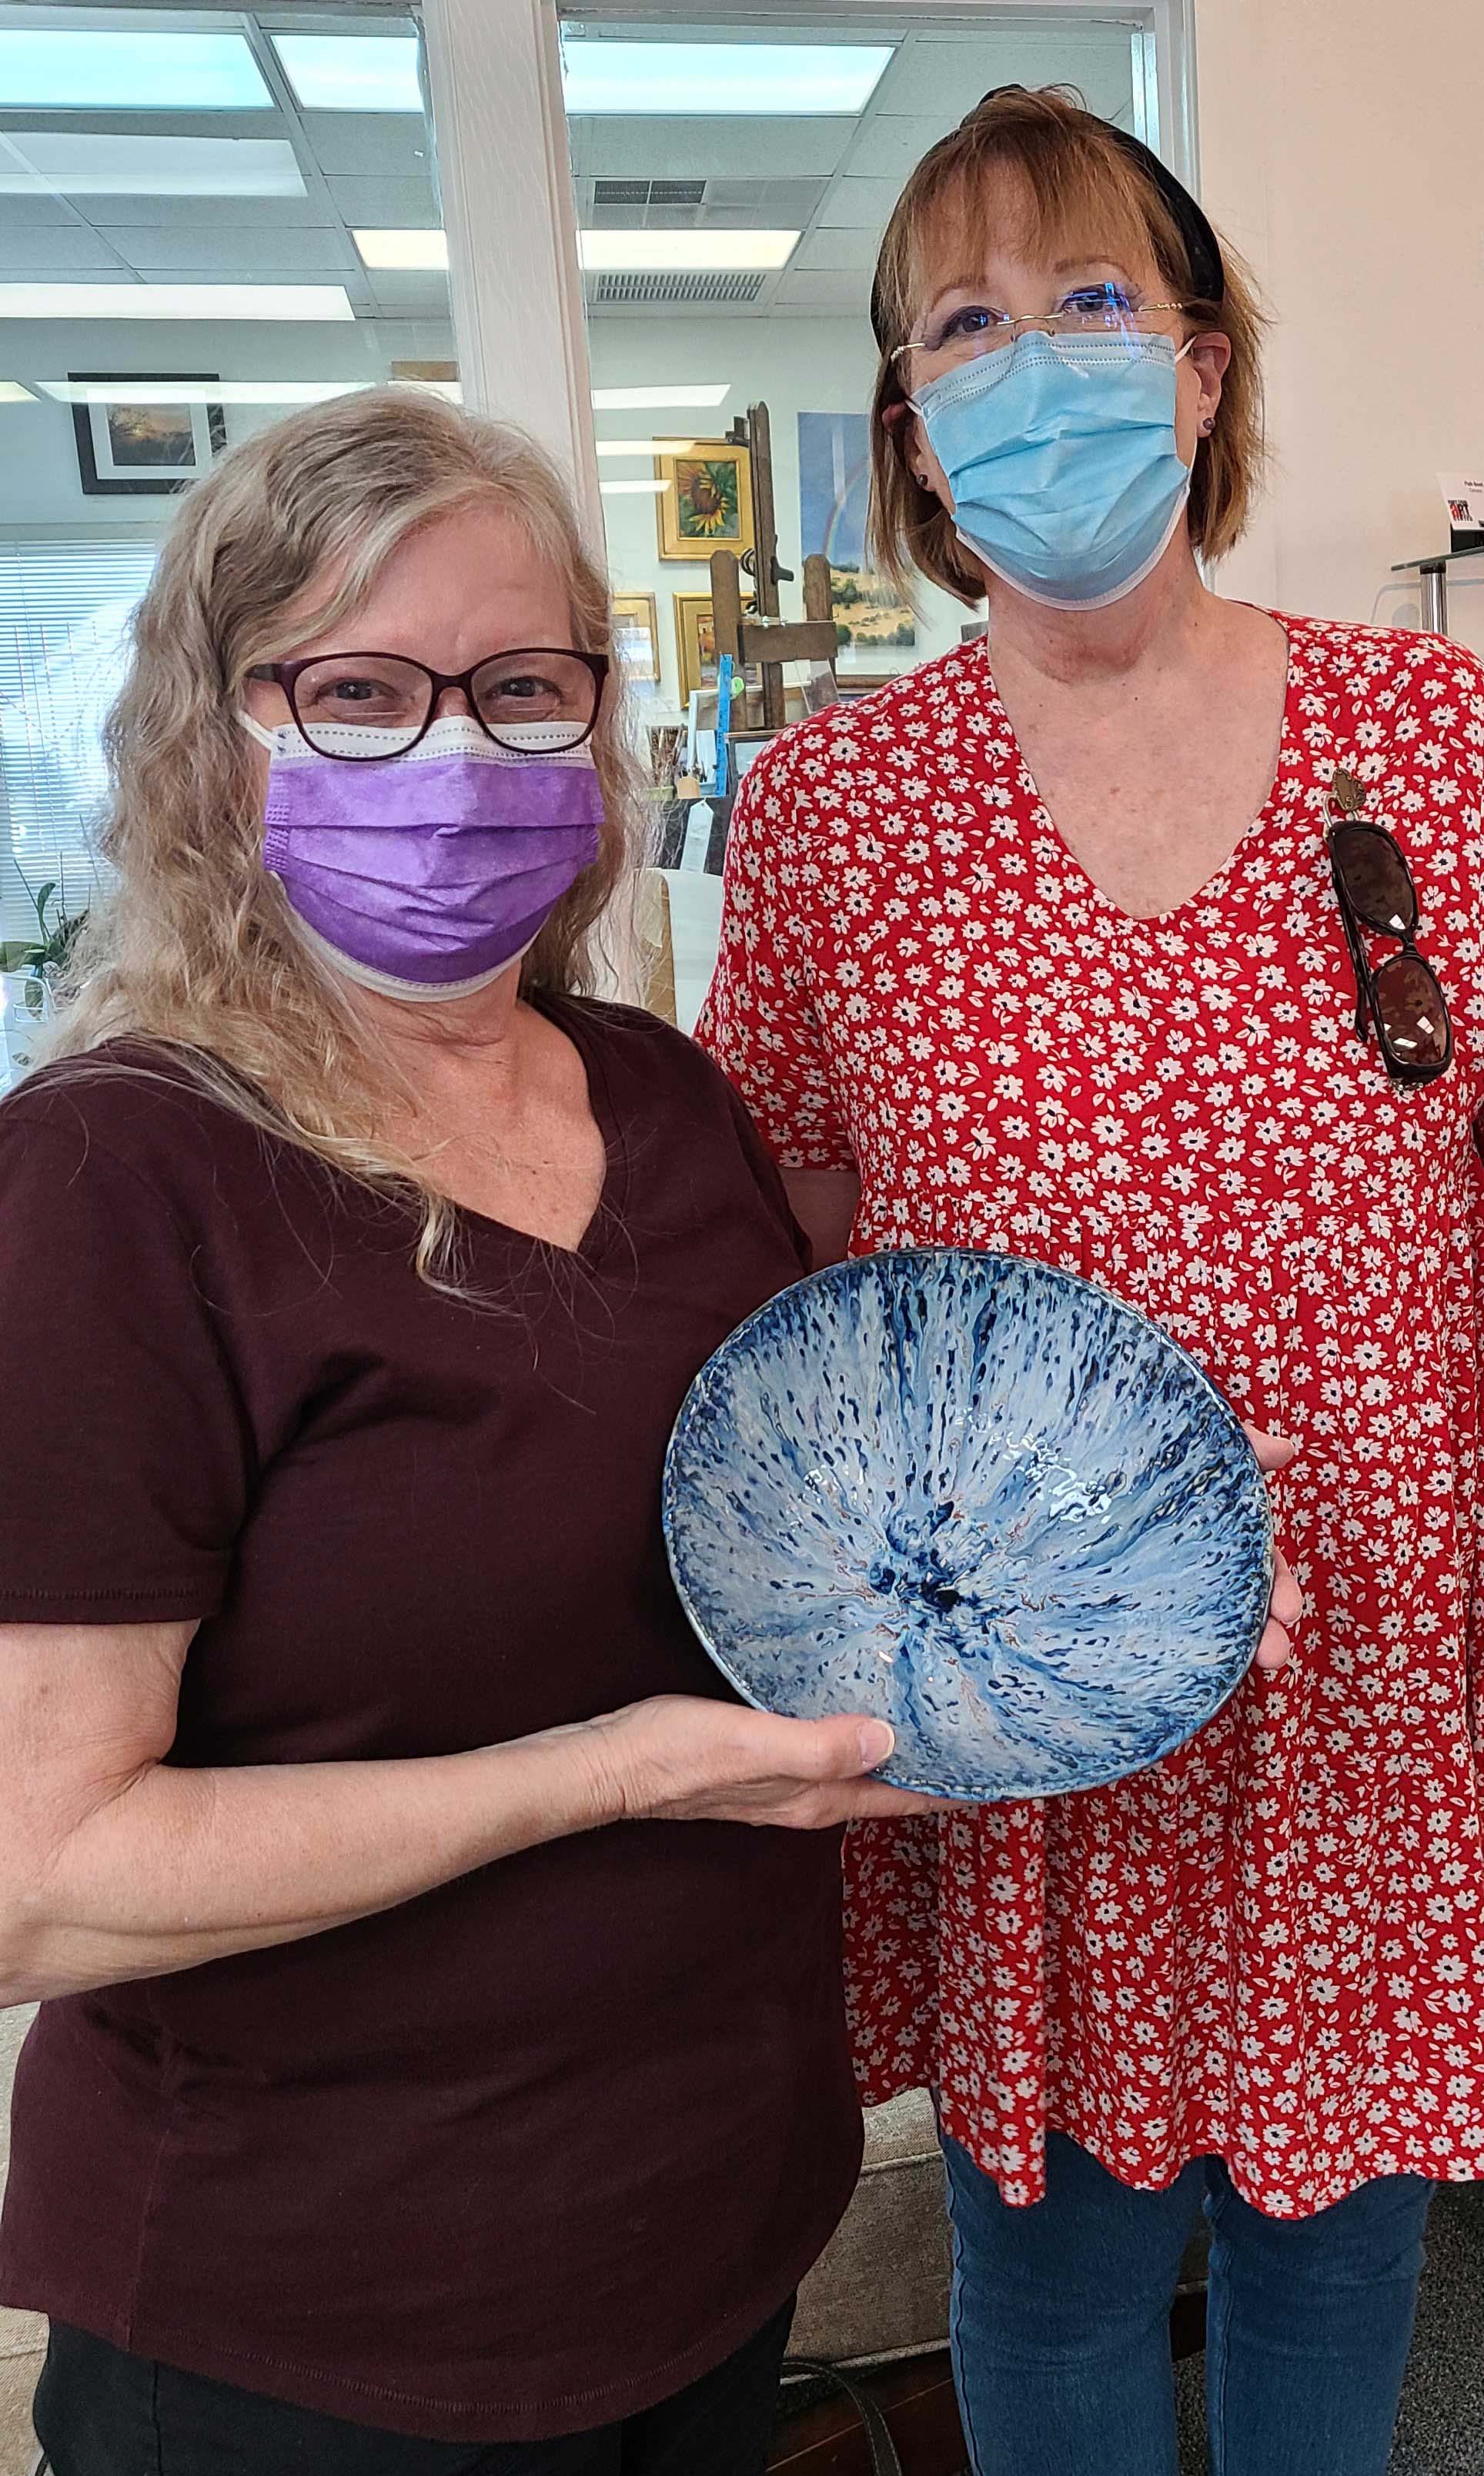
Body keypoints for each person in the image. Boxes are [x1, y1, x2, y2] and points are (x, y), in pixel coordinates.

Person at [700, 85, 1484, 2476]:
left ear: (1204, 365)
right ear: (914, 434)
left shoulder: (1417, 732)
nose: (1037, 362)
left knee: (1343, 2244)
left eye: (1094, 303)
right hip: (1030, 1713)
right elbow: (794, 1257)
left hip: (1377, 1667)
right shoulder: (833, 815)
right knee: (1054, 2254)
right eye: (967, 323)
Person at [0, 388, 937, 2476]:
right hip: (318, 2335)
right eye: (356, 690)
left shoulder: (662, 1100)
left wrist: (1112, 1597)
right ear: (215, 734)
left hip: (702, 2229)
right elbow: (34, 1876)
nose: (451, 754)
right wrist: (594, 1777)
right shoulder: (115, 1181)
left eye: (518, 686)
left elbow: (793, 1530)